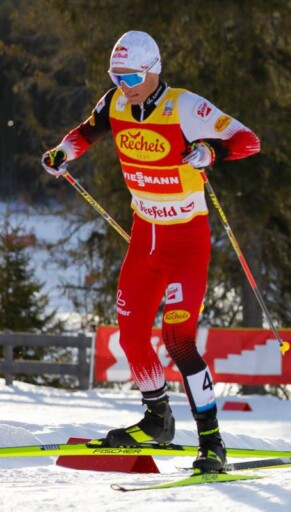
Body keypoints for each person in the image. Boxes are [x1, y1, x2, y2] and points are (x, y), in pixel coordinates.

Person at [41, 31, 261, 473]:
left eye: (133, 75)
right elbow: (86, 132)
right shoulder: (115, 103)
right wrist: (64, 152)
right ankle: (157, 416)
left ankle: (211, 441)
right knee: (130, 333)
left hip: (186, 240)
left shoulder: (185, 106)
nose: (125, 84)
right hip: (146, 238)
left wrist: (209, 151)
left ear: (154, 68)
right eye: (116, 75)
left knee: (178, 340)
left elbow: (248, 140)